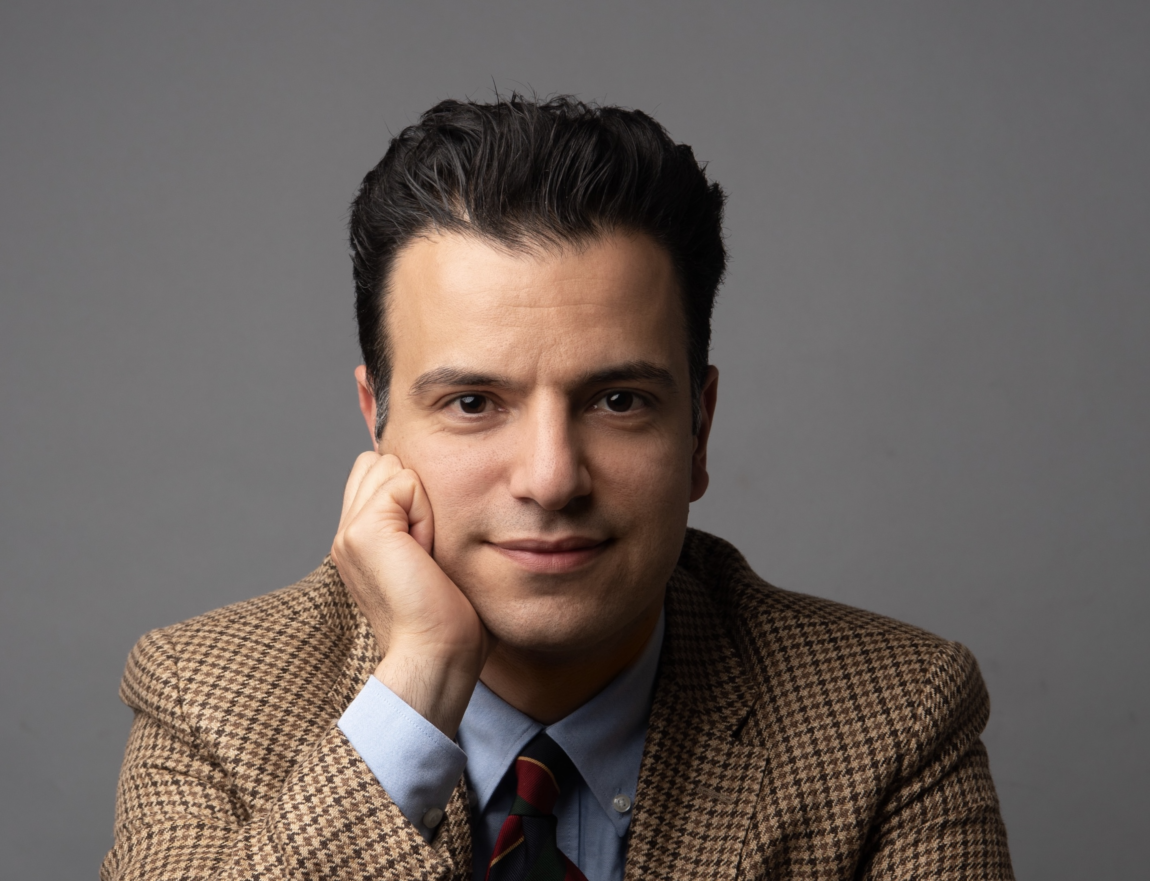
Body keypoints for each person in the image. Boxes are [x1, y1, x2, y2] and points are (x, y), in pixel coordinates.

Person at [103, 95, 1014, 881]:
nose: (550, 478)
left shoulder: (894, 717)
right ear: (377, 422)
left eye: (618, 401)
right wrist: (416, 687)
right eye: (472, 402)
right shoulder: (209, 697)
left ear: (699, 428)